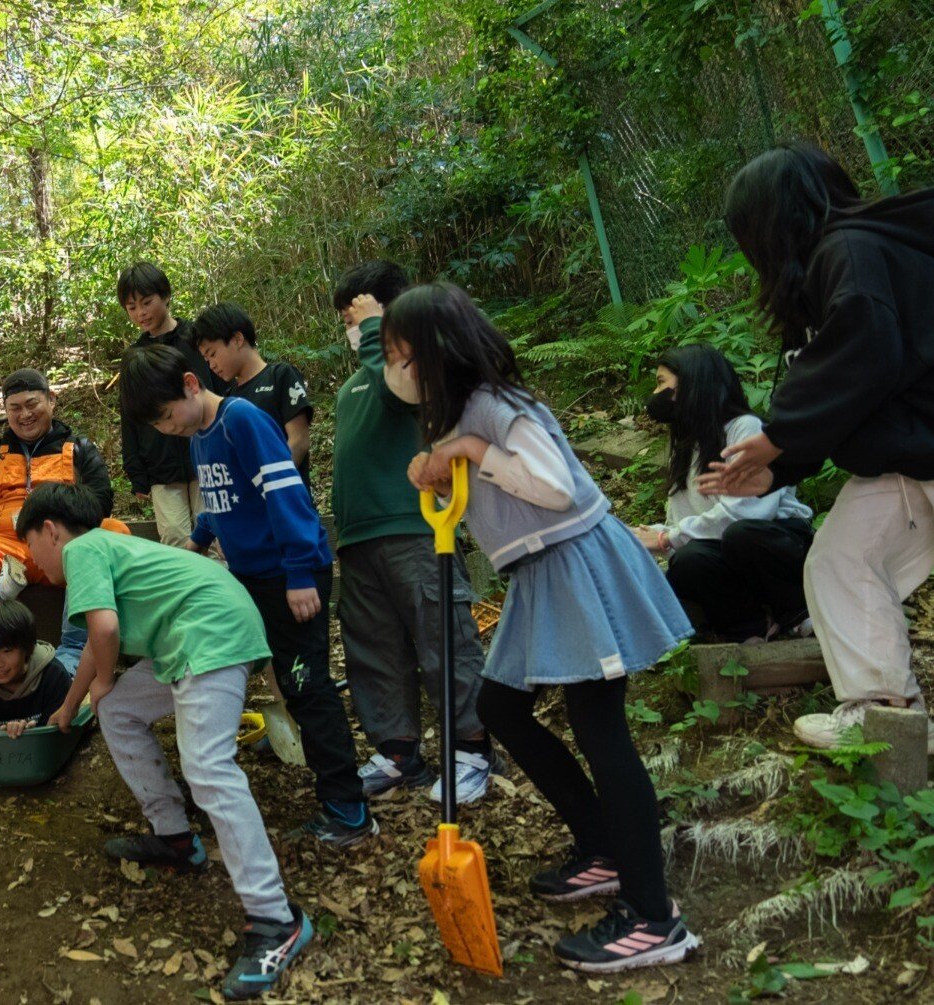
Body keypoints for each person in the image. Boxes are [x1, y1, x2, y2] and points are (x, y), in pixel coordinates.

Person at [392, 283, 698, 972]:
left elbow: (556, 486)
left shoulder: (499, 407)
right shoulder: (465, 413)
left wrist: (472, 446)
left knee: (600, 727)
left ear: (434, 350)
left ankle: (655, 916)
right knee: (501, 705)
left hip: (577, 566)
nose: (397, 365)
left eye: (400, 350)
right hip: (540, 575)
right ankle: (603, 848)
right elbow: (490, 495)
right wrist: (441, 474)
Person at [702, 142, 934, 755]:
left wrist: (780, 438)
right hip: (909, 456)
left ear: (770, 220)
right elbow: (847, 384)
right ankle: (889, 717)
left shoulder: (852, 252)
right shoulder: (818, 279)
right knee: (840, 560)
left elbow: (862, 350)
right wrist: (780, 465)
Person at [18, 484, 311, 1001]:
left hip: (208, 632)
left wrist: (104, 680)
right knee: (119, 709)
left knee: (209, 769)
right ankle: (175, 837)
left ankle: (275, 918)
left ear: (50, 530)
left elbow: (105, 634)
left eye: (31, 549)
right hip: (197, 630)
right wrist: (70, 709)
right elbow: (94, 647)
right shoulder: (110, 551)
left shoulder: (82, 549)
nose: (35, 563)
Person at [118, 343, 375, 847]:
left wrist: (300, 572)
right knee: (278, 675)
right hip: (250, 577)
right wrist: (195, 543)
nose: (169, 428)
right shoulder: (200, 437)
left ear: (192, 385)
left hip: (289, 574)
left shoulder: (243, 420)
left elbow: (286, 494)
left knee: (306, 684)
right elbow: (219, 501)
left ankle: (349, 809)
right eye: (159, 426)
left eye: (169, 416)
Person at [329, 261, 495, 803]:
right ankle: (399, 752)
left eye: (356, 315)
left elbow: (398, 396)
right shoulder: (355, 382)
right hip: (358, 536)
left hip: (415, 526)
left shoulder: (416, 369)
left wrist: (379, 330)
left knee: (442, 637)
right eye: (349, 321)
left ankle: (471, 749)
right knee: (373, 648)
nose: (352, 328)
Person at [0, 368, 129, 694]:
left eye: (32, 404)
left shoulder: (78, 448)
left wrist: (60, 520)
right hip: (3, 544)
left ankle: (75, 650)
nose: (24, 415)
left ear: (51, 399)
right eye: (14, 408)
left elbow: (100, 500)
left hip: (64, 543)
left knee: (114, 531)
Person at [632, 344, 814, 643]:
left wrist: (667, 538)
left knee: (742, 535)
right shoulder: (686, 447)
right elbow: (688, 524)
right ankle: (750, 627)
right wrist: (646, 536)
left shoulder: (746, 428)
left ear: (692, 382)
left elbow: (748, 514)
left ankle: (797, 612)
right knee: (688, 560)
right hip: (728, 551)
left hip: (775, 542)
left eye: (661, 382)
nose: (655, 393)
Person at [116, 261, 228, 549]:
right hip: (160, 465)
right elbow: (130, 416)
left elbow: (220, 388)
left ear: (165, 296)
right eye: (131, 307)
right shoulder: (134, 357)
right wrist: (136, 470)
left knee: (217, 540)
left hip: (207, 456)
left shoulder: (196, 340)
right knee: (175, 541)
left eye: (147, 302)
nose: (141, 313)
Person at [190, 302, 313, 477]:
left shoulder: (280, 376)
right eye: (206, 359)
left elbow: (299, 440)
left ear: (237, 339)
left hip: (285, 497)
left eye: (212, 354)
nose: (211, 365)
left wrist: (272, 483)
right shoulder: (228, 398)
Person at [0, 599, 74, 737]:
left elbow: (58, 733)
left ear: (28, 648)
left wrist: (29, 733)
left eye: (7, 650)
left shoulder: (53, 676)